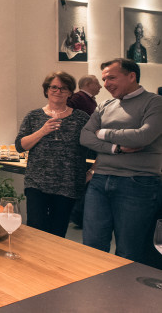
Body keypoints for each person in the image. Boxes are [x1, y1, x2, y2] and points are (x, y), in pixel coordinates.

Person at [80, 58, 162, 263]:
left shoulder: (155, 103)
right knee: (92, 247)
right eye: (104, 79)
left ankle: (124, 295)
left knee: (129, 251)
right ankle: (91, 293)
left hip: (138, 182)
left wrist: (104, 133)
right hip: (99, 181)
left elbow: (143, 137)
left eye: (111, 78)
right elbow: (85, 136)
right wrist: (116, 148)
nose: (105, 84)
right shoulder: (105, 105)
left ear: (132, 76)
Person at [14, 71, 90, 238]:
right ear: (46, 90)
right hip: (37, 183)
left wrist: (91, 172)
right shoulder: (34, 116)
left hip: (67, 185)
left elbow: (97, 145)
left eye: (64, 88)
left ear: (70, 92)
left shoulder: (81, 118)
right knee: (35, 231)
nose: (58, 91)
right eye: (54, 87)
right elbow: (20, 145)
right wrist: (42, 131)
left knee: (57, 234)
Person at [67, 74, 101, 227]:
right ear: (88, 83)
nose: (101, 86)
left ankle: (79, 214)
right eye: (98, 83)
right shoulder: (78, 98)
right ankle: (77, 214)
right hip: (84, 148)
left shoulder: (87, 100)